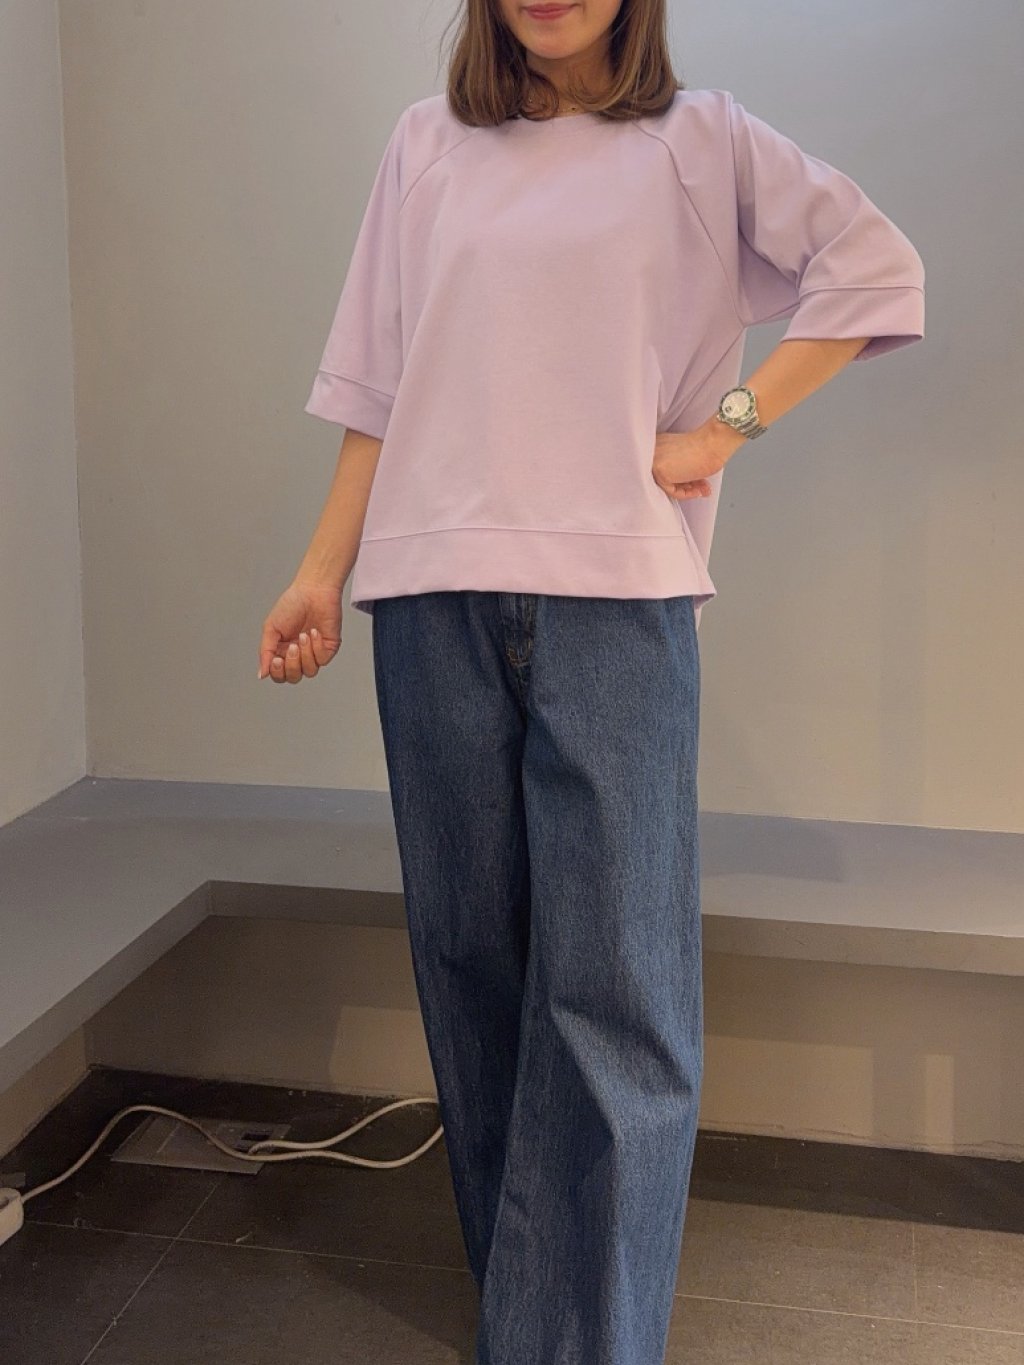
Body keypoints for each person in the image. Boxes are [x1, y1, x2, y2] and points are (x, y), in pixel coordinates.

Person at [258, 2, 925, 1360]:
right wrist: (321, 571)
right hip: (429, 593)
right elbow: (376, 386)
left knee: (617, 990)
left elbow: (877, 268)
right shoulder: (426, 145)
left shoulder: (703, 141)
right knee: (472, 963)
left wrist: (722, 431)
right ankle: (537, 1318)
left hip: (618, 603)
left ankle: (576, 1342)